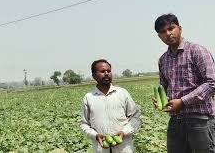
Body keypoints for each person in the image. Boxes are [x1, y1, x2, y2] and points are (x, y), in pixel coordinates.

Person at [153, 13, 215, 153]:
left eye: (171, 28)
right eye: (163, 31)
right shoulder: (163, 60)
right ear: (159, 36)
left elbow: (212, 83)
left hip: (200, 119)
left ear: (180, 28)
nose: (168, 33)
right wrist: (162, 102)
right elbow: (165, 87)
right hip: (176, 121)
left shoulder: (197, 51)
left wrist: (182, 102)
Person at [80, 59, 141, 153]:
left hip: (124, 149)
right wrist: (95, 135)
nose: (106, 73)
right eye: (102, 71)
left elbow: (135, 117)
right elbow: (84, 124)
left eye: (108, 71)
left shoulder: (122, 93)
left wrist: (124, 132)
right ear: (94, 76)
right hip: (101, 149)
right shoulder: (89, 97)